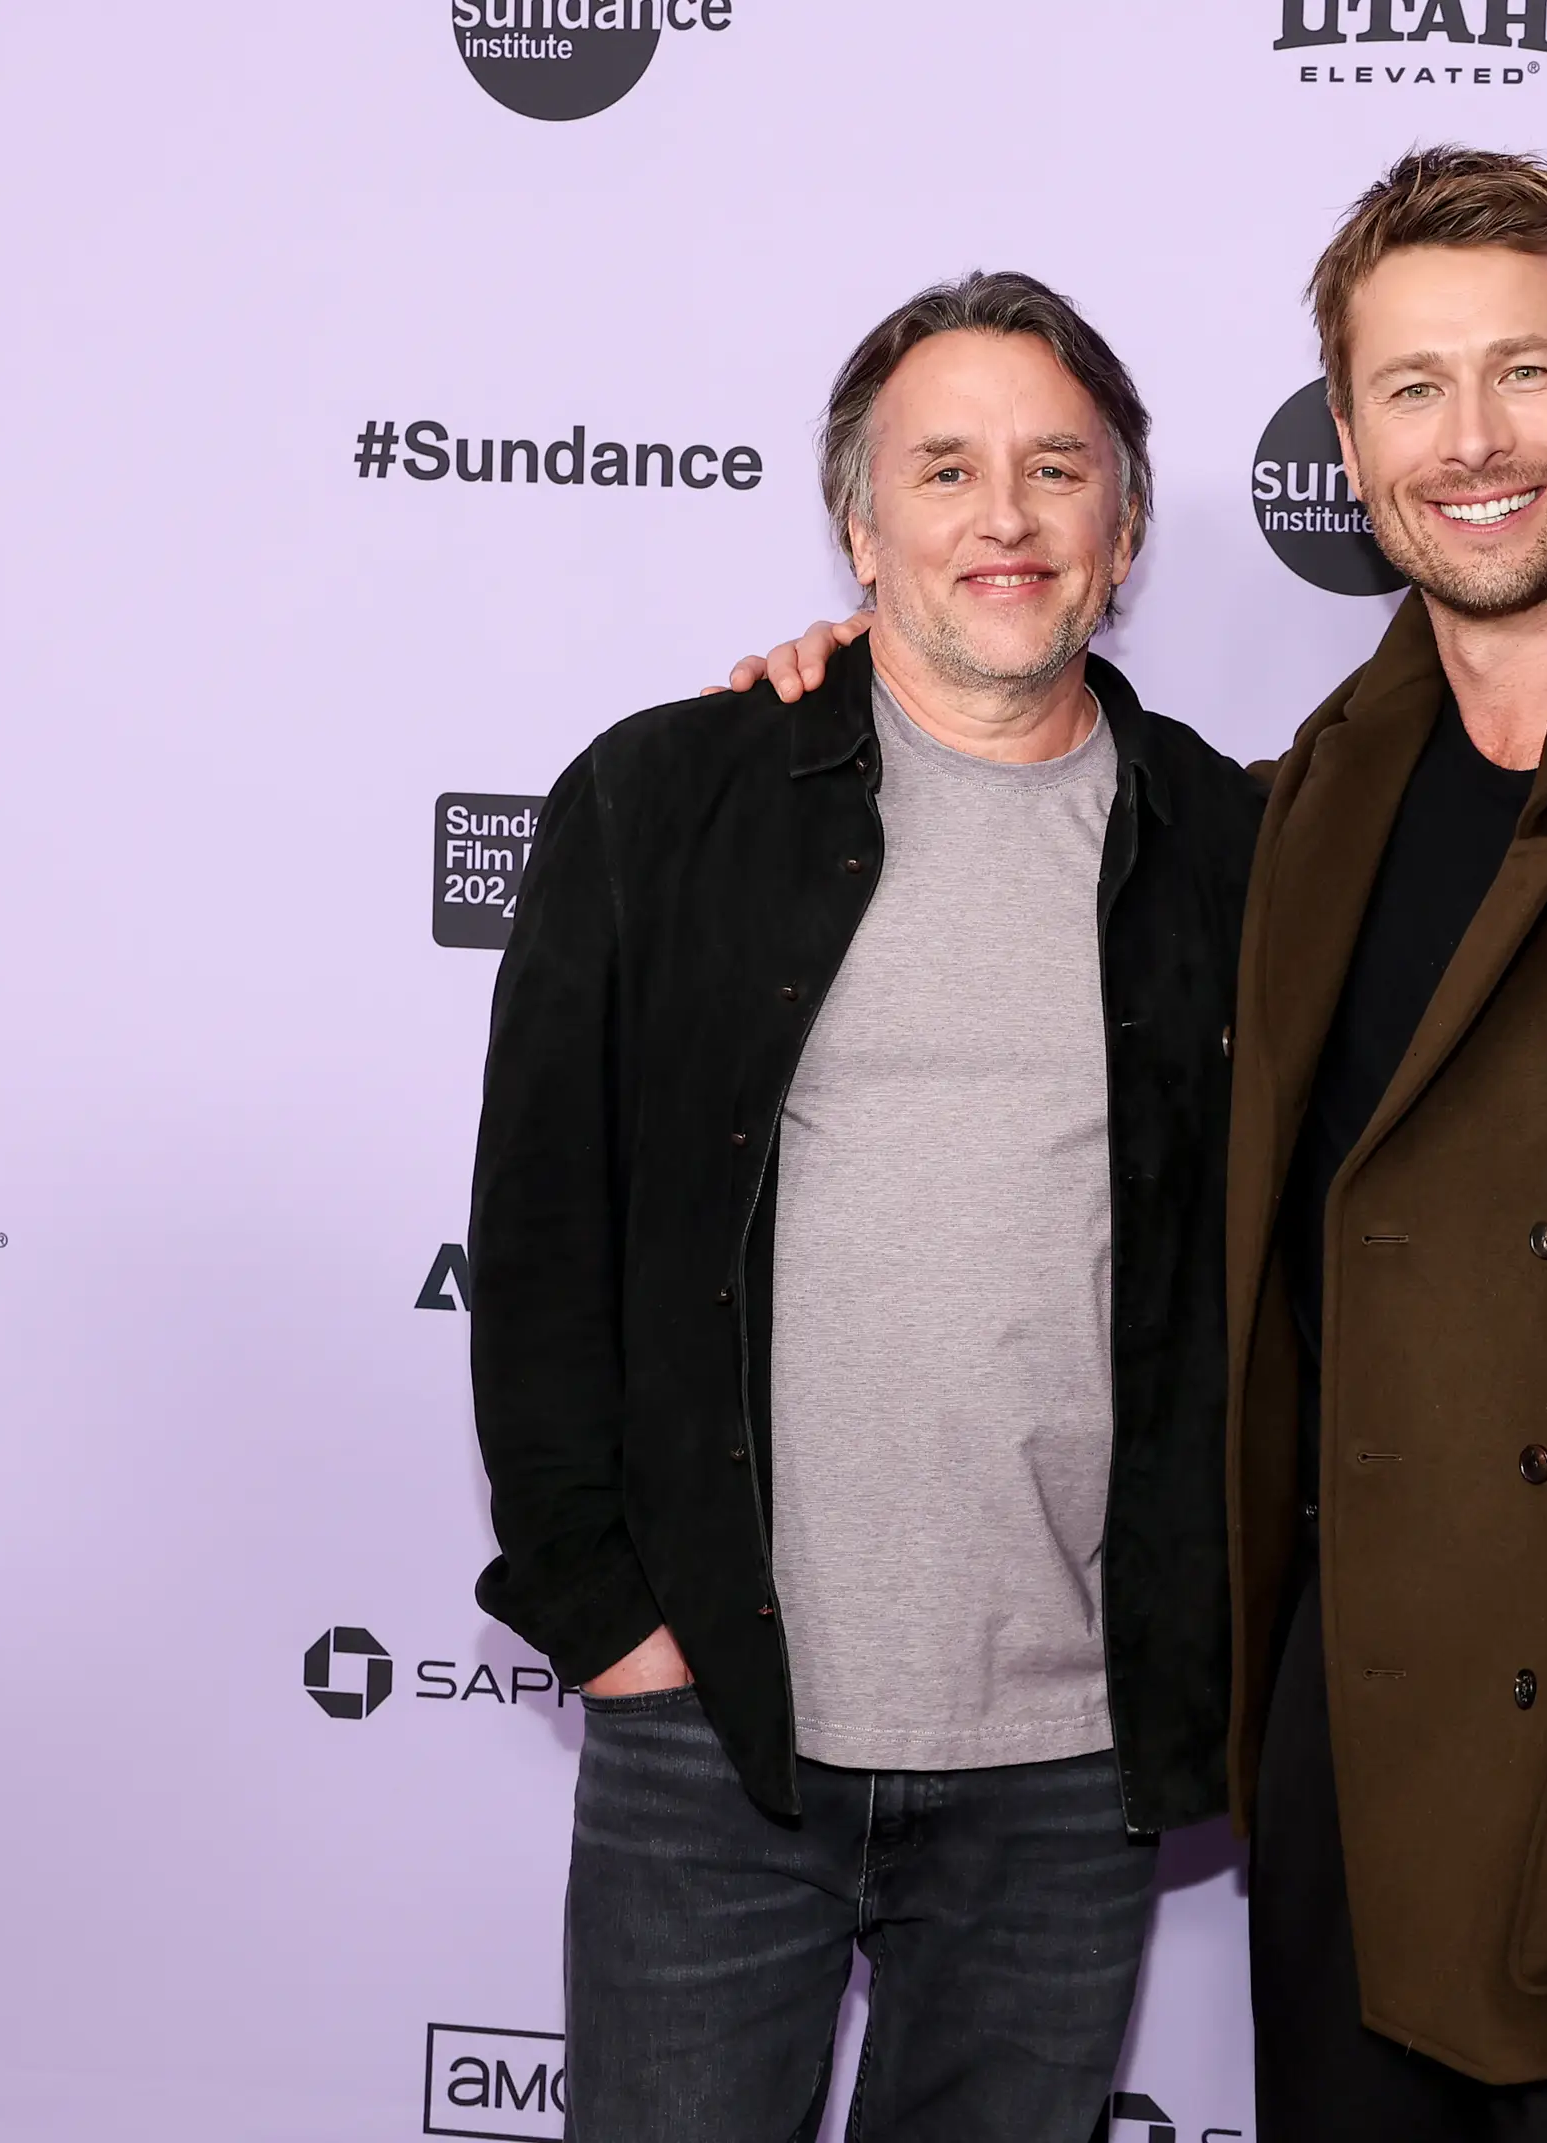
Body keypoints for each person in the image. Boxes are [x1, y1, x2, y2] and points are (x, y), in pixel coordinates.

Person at [736, 149, 1547, 2143]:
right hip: (1348, 1789)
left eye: (1526, 372)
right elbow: (1020, 780)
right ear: (1346, 441)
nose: (1475, 440)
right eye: (1414, 390)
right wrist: (831, 696)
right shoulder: (1310, 799)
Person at [468, 270, 1261, 2143]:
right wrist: (614, 1634)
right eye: (947, 469)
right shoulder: (667, 801)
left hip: (1069, 1771)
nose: (1005, 517)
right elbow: (539, 1242)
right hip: (715, 1736)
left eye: (1057, 469)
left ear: (1123, 529)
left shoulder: (1232, 851)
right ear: (860, 521)